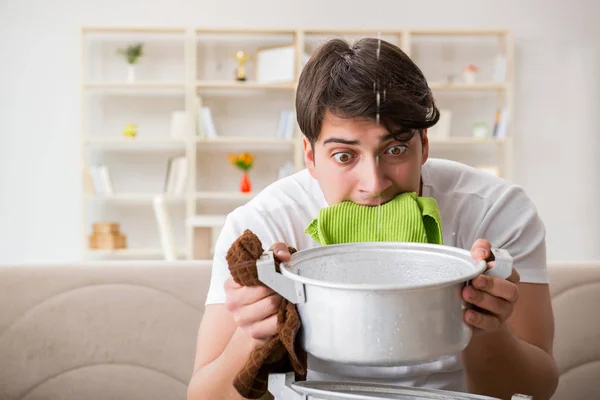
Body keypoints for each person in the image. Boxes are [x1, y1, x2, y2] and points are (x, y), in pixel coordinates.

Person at [187, 38, 559, 400]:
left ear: (424, 144)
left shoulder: (495, 211)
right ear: (310, 157)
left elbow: (535, 390)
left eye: (395, 149)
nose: (375, 184)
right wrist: (253, 332)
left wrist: (487, 327)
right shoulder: (263, 225)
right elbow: (203, 397)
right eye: (344, 156)